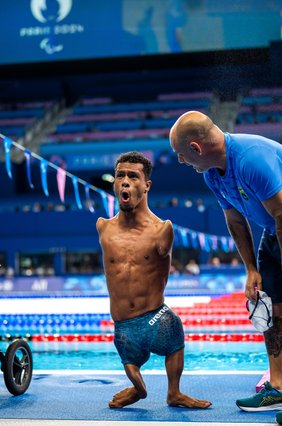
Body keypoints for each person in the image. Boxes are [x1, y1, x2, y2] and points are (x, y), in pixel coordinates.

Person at [169, 111, 282, 425]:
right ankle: (278, 386)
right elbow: (235, 220)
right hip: (275, 230)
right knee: (270, 303)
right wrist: (251, 269)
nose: (181, 161)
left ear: (196, 147)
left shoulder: (251, 159)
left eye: (181, 155)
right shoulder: (212, 174)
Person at [96, 151, 211, 410]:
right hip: (123, 326)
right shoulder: (103, 227)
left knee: (174, 326)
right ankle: (137, 388)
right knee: (132, 369)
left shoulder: (162, 230)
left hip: (155, 317)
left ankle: (174, 392)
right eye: (120, 176)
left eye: (133, 176)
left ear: (146, 185)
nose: (125, 181)